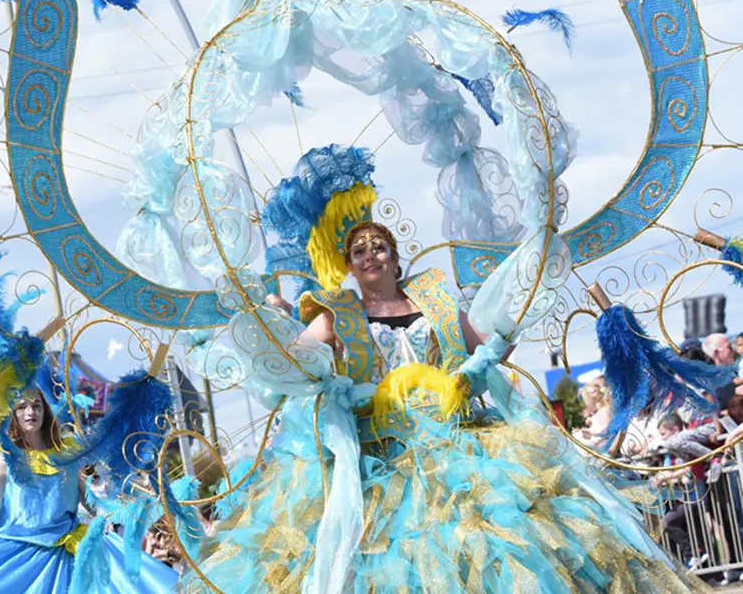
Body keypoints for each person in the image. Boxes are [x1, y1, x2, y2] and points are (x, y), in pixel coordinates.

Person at [184, 144, 705, 592]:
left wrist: (473, 369)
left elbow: (488, 348)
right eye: (359, 250)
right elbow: (295, 364)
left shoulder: (432, 296)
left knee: (509, 540)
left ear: (394, 256)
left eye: (379, 247)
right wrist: (267, 318)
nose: (370, 256)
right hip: (379, 455)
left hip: (459, 440)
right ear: (347, 264)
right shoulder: (336, 311)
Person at [0, 391, 177, 593]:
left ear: (45, 411)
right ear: (13, 415)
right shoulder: (4, 462)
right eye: (22, 407)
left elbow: (93, 504)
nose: (31, 412)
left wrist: (126, 501)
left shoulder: (68, 456)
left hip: (68, 555)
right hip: (20, 561)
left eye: (36, 406)